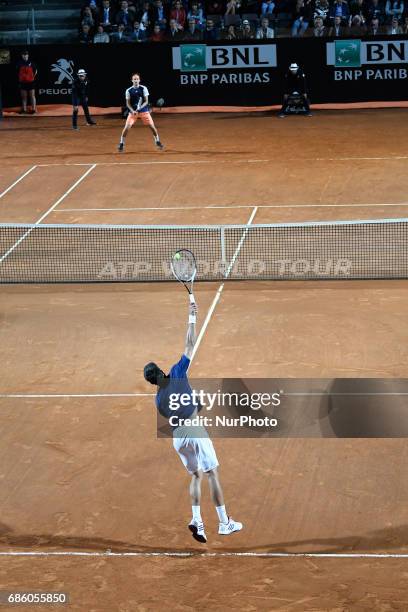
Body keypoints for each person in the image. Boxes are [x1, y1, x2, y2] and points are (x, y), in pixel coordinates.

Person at [143, 301, 243, 544]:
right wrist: (191, 316)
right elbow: (190, 344)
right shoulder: (177, 372)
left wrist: (193, 405)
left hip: (178, 438)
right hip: (194, 429)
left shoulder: (158, 399)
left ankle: (197, 519)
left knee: (196, 475)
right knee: (213, 474)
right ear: (162, 371)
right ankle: (224, 523)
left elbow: (176, 414)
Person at [118, 72, 163, 152]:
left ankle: (157, 141)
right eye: (134, 79)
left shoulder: (143, 88)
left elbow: (146, 101)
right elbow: (127, 103)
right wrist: (132, 111)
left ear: (139, 80)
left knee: (152, 127)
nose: (136, 80)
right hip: (132, 113)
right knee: (127, 128)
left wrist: (139, 109)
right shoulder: (128, 91)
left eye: (137, 79)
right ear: (132, 80)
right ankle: (121, 143)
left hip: (144, 111)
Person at [17, 50, 37, 114]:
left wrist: (31, 77)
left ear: (28, 55)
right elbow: (17, 72)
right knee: (24, 97)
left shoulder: (32, 63)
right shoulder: (19, 63)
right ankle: (24, 109)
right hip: (22, 82)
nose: (25, 56)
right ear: (22, 56)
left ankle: (33, 109)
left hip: (31, 82)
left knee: (32, 96)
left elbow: (36, 71)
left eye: (26, 54)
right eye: (23, 55)